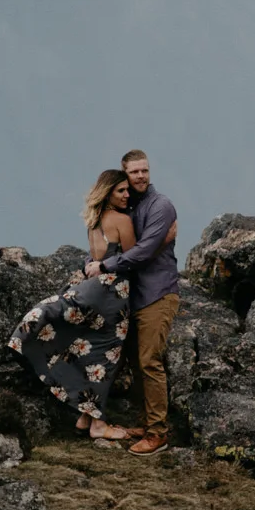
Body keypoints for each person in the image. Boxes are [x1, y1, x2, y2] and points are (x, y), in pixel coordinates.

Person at [7, 169, 138, 440]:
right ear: (108, 192)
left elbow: (95, 259)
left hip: (93, 289)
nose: (128, 195)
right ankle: (99, 426)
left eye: (127, 190)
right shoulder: (121, 220)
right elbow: (133, 259)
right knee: (104, 357)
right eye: (121, 190)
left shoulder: (93, 221)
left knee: (90, 352)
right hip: (113, 295)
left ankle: (84, 418)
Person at [86, 148, 179, 455]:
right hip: (134, 298)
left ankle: (158, 434)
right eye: (134, 172)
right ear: (124, 175)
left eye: (145, 171)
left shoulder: (160, 206)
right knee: (138, 363)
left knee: (150, 361)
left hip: (158, 293)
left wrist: (104, 266)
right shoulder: (128, 207)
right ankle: (145, 422)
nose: (141, 176)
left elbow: (144, 251)